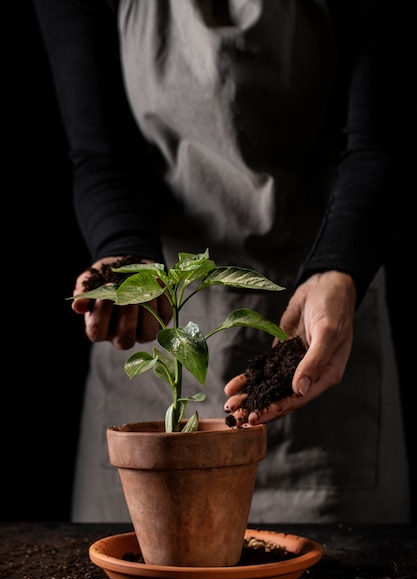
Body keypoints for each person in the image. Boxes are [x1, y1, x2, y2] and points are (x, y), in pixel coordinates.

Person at [34, 0, 413, 523]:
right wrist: (124, 250)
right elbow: (101, 151)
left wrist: (337, 266)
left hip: (322, 328)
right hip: (152, 313)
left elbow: (379, 141)